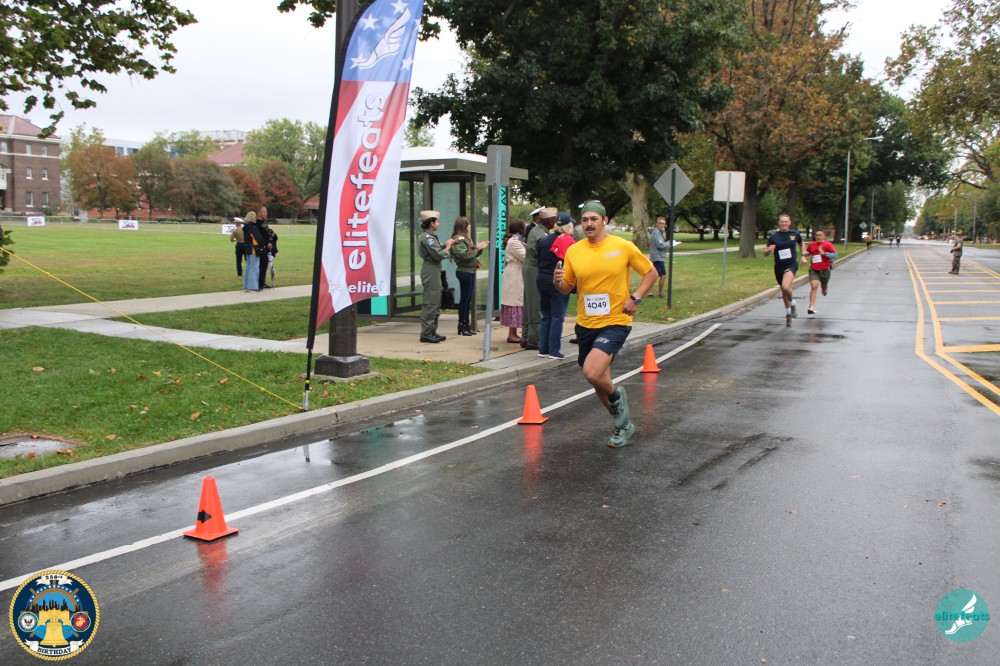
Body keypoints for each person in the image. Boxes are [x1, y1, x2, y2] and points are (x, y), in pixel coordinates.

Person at [553, 200, 657, 448]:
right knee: (597, 377)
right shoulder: (574, 251)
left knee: (592, 371)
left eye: (594, 219)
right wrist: (557, 281)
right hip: (585, 323)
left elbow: (651, 273)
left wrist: (635, 298)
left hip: (616, 321)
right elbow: (566, 288)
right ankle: (623, 426)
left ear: (605, 221)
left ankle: (616, 396)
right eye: (585, 220)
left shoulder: (622, 246)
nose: (589, 224)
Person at [536, 213, 575, 359]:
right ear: (568, 226)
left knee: (546, 316)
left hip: (542, 278)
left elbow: (538, 259)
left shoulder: (544, 239)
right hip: (557, 279)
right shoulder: (569, 242)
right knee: (557, 317)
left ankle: (543, 349)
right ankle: (554, 350)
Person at [522, 207, 557, 350]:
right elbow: (542, 253)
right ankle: (534, 338)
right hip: (534, 269)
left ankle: (526, 336)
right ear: (549, 220)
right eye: (554, 219)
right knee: (535, 303)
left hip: (533, 268)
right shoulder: (540, 234)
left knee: (529, 303)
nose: (555, 221)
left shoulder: (540, 231)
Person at [418, 210, 455, 343]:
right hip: (431, 270)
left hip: (434, 269)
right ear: (431, 223)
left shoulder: (430, 237)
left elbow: (437, 250)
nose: (438, 224)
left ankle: (432, 331)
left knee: (435, 302)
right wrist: (448, 247)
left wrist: (447, 244)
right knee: (431, 303)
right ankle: (426, 333)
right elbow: (438, 255)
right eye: (437, 221)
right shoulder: (428, 238)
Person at [763, 213, 805, 327]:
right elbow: (765, 253)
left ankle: (793, 305)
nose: (784, 223)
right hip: (779, 266)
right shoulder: (774, 236)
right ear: (779, 223)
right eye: (782, 221)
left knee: (786, 286)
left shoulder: (795, 234)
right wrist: (769, 250)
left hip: (791, 264)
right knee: (784, 291)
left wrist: (803, 256)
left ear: (789, 222)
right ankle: (788, 314)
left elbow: (801, 244)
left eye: (786, 221)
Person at [449, 216, 488, 336]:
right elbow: (464, 256)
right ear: (464, 226)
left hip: (469, 271)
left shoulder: (465, 239)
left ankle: (466, 324)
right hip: (464, 271)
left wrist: (479, 248)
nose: (470, 226)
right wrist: (477, 248)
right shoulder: (458, 239)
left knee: (467, 299)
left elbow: (471, 254)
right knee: (465, 299)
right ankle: (462, 324)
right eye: (468, 224)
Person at [500, 218, 527, 343]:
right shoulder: (514, 242)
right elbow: (524, 256)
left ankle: (514, 333)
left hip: (516, 273)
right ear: (521, 229)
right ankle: (512, 334)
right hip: (515, 274)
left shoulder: (516, 240)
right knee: (514, 302)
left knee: (516, 301)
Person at [804, 229, 838, 315]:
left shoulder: (828, 244)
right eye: (817, 235)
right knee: (814, 286)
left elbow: (835, 255)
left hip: (825, 270)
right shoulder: (812, 244)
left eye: (820, 235)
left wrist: (825, 254)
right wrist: (804, 254)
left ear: (823, 236)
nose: (818, 237)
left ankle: (824, 289)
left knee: (823, 286)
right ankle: (811, 307)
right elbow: (808, 252)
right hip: (814, 270)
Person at [241, 211, 264, 292]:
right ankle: (252, 286)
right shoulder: (253, 227)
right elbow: (258, 238)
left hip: (247, 248)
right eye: (254, 217)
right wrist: (262, 244)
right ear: (251, 218)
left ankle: (246, 285)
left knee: (249, 267)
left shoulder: (246, 227)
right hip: (253, 249)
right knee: (254, 268)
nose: (256, 218)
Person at [649, 216, 669, 298]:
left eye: (663, 223)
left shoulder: (659, 232)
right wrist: (670, 243)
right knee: (663, 275)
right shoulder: (656, 233)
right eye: (660, 223)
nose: (662, 225)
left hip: (658, 257)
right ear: (656, 224)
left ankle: (650, 293)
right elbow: (660, 245)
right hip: (657, 258)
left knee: (654, 275)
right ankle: (660, 293)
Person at [256, 206, 274, 290]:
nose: (266, 214)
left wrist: (270, 240)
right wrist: (266, 243)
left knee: (265, 264)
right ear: (259, 213)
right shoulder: (257, 223)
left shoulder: (265, 222)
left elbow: (267, 233)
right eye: (264, 212)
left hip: (267, 247)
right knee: (261, 264)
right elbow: (259, 236)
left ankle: (262, 282)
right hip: (260, 247)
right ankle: (259, 283)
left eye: (266, 212)